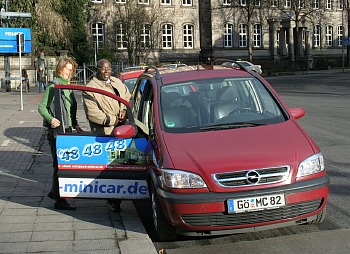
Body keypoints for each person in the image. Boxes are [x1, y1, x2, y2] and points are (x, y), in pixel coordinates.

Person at [82, 59, 131, 212]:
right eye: (103, 69)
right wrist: (113, 119)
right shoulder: (90, 88)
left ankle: (123, 195)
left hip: (122, 131)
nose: (106, 72)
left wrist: (124, 110)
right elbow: (93, 114)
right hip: (105, 134)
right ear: (97, 69)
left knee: (123, 165)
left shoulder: (116, 82)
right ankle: (113, 200)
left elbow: (127, 96)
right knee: (110, 168)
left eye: (108, 69)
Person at [38, 57, 84, 210]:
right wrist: (51, 119)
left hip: (67, 130)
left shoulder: (68, 86)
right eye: (67, 69)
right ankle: (59, 199)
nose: (69, 72)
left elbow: (70, 110)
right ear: (60, 69)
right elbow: (42, 107)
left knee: (64, 164)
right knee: (59, 165)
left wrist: (75, 123)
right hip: (57, 132)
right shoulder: (54, 86)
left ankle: (57, 195)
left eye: (71, 69)